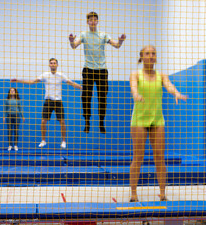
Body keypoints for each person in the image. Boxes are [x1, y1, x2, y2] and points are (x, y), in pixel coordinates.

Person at [129, 45, 188, 202]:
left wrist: (177, 93)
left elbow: (169, 86)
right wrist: (136, 94)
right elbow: (134, 87)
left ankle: (162, 194)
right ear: (142, 56)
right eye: (147, 53)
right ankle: (133, 194)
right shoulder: (135, 75)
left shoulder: (162, 75)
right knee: (138, 157)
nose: (151, 56)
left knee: (159, 157)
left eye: (153, 53)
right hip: (139, 120)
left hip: (157, 120)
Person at [69, 11, 126, 133]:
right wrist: (71, 40)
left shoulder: (103, 35)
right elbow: (74, 46)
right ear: (87, 22)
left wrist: (120, 41)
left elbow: (116, 45)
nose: (93, 22)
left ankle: (101, 122)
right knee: (86, 97)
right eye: (91, 20)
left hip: (102, 70)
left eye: (95, 19)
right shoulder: (84, 35)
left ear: (97, 21)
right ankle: (87, 122)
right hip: (88, 70)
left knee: (102, 97)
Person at [11, 58, 82, 149]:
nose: (52, 64)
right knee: (43, 121)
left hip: (58, 101)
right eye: (51, 63)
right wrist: (18, 80)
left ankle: (63, 141)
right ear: (49, 65)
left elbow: (71, 83)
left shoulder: (61, 75)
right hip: (48, 101)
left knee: (62, 121)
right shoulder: (45, 75)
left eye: (54, 63)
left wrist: (82, 88)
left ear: (57, 65)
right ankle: (43, 140)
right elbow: (32, 82)